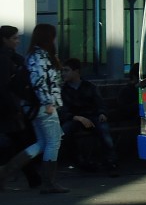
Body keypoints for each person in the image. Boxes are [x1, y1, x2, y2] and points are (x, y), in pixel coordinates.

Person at [0, 23, 68, 193]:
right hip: (44, 106)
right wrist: (48, 103)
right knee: (53, 142)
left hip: (37, 106)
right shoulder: (40, 56)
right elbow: (40, 82)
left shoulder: (35, 55)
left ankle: (6, 171)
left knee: (43, 142)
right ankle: (48, 183)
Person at [59, 58, 118, 176]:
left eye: (66, 70)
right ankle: (79, 161)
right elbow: (63, 110)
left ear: (76, 71)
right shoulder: (63, 90)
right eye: (62, 70)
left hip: (92, 116)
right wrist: (78, 118)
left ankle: (111, 163)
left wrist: (102, 113)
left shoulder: (89, 87)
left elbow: (100, 103)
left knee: (104, 130)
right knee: (64, 132)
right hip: (75, 118)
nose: (63, 73)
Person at [0, 26, 41, 191]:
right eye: (14, 38)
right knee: (19, 141)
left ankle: (33, 178)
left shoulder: (11, 57)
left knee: (19, 142)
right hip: (7, 108)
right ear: (5, 39)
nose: (18, 41)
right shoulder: (5, 58)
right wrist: (13, 107)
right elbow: (4, 86)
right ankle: (33, 178)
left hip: (10, 107)